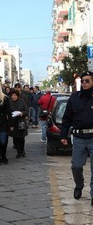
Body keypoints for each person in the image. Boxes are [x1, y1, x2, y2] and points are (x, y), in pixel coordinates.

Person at [61, 71, 93, 206]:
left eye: (87, 81)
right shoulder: (74, 98)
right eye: (83, 81)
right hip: (79, 137)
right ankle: (79, 185)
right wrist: (63, 135)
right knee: (76, 166)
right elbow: (67, 118)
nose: (84, 83)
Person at [8, 89, 28, 158]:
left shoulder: (22, 102)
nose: (13, 97)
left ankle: (22, 150)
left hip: (21, 122)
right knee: (15, 138)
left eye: (15, 95)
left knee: (21, 138)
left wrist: (22, 113)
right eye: (12, 95)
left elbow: (26, 111)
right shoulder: (9, 102)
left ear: (17, 96)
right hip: (13, 122)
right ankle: (18, 152)